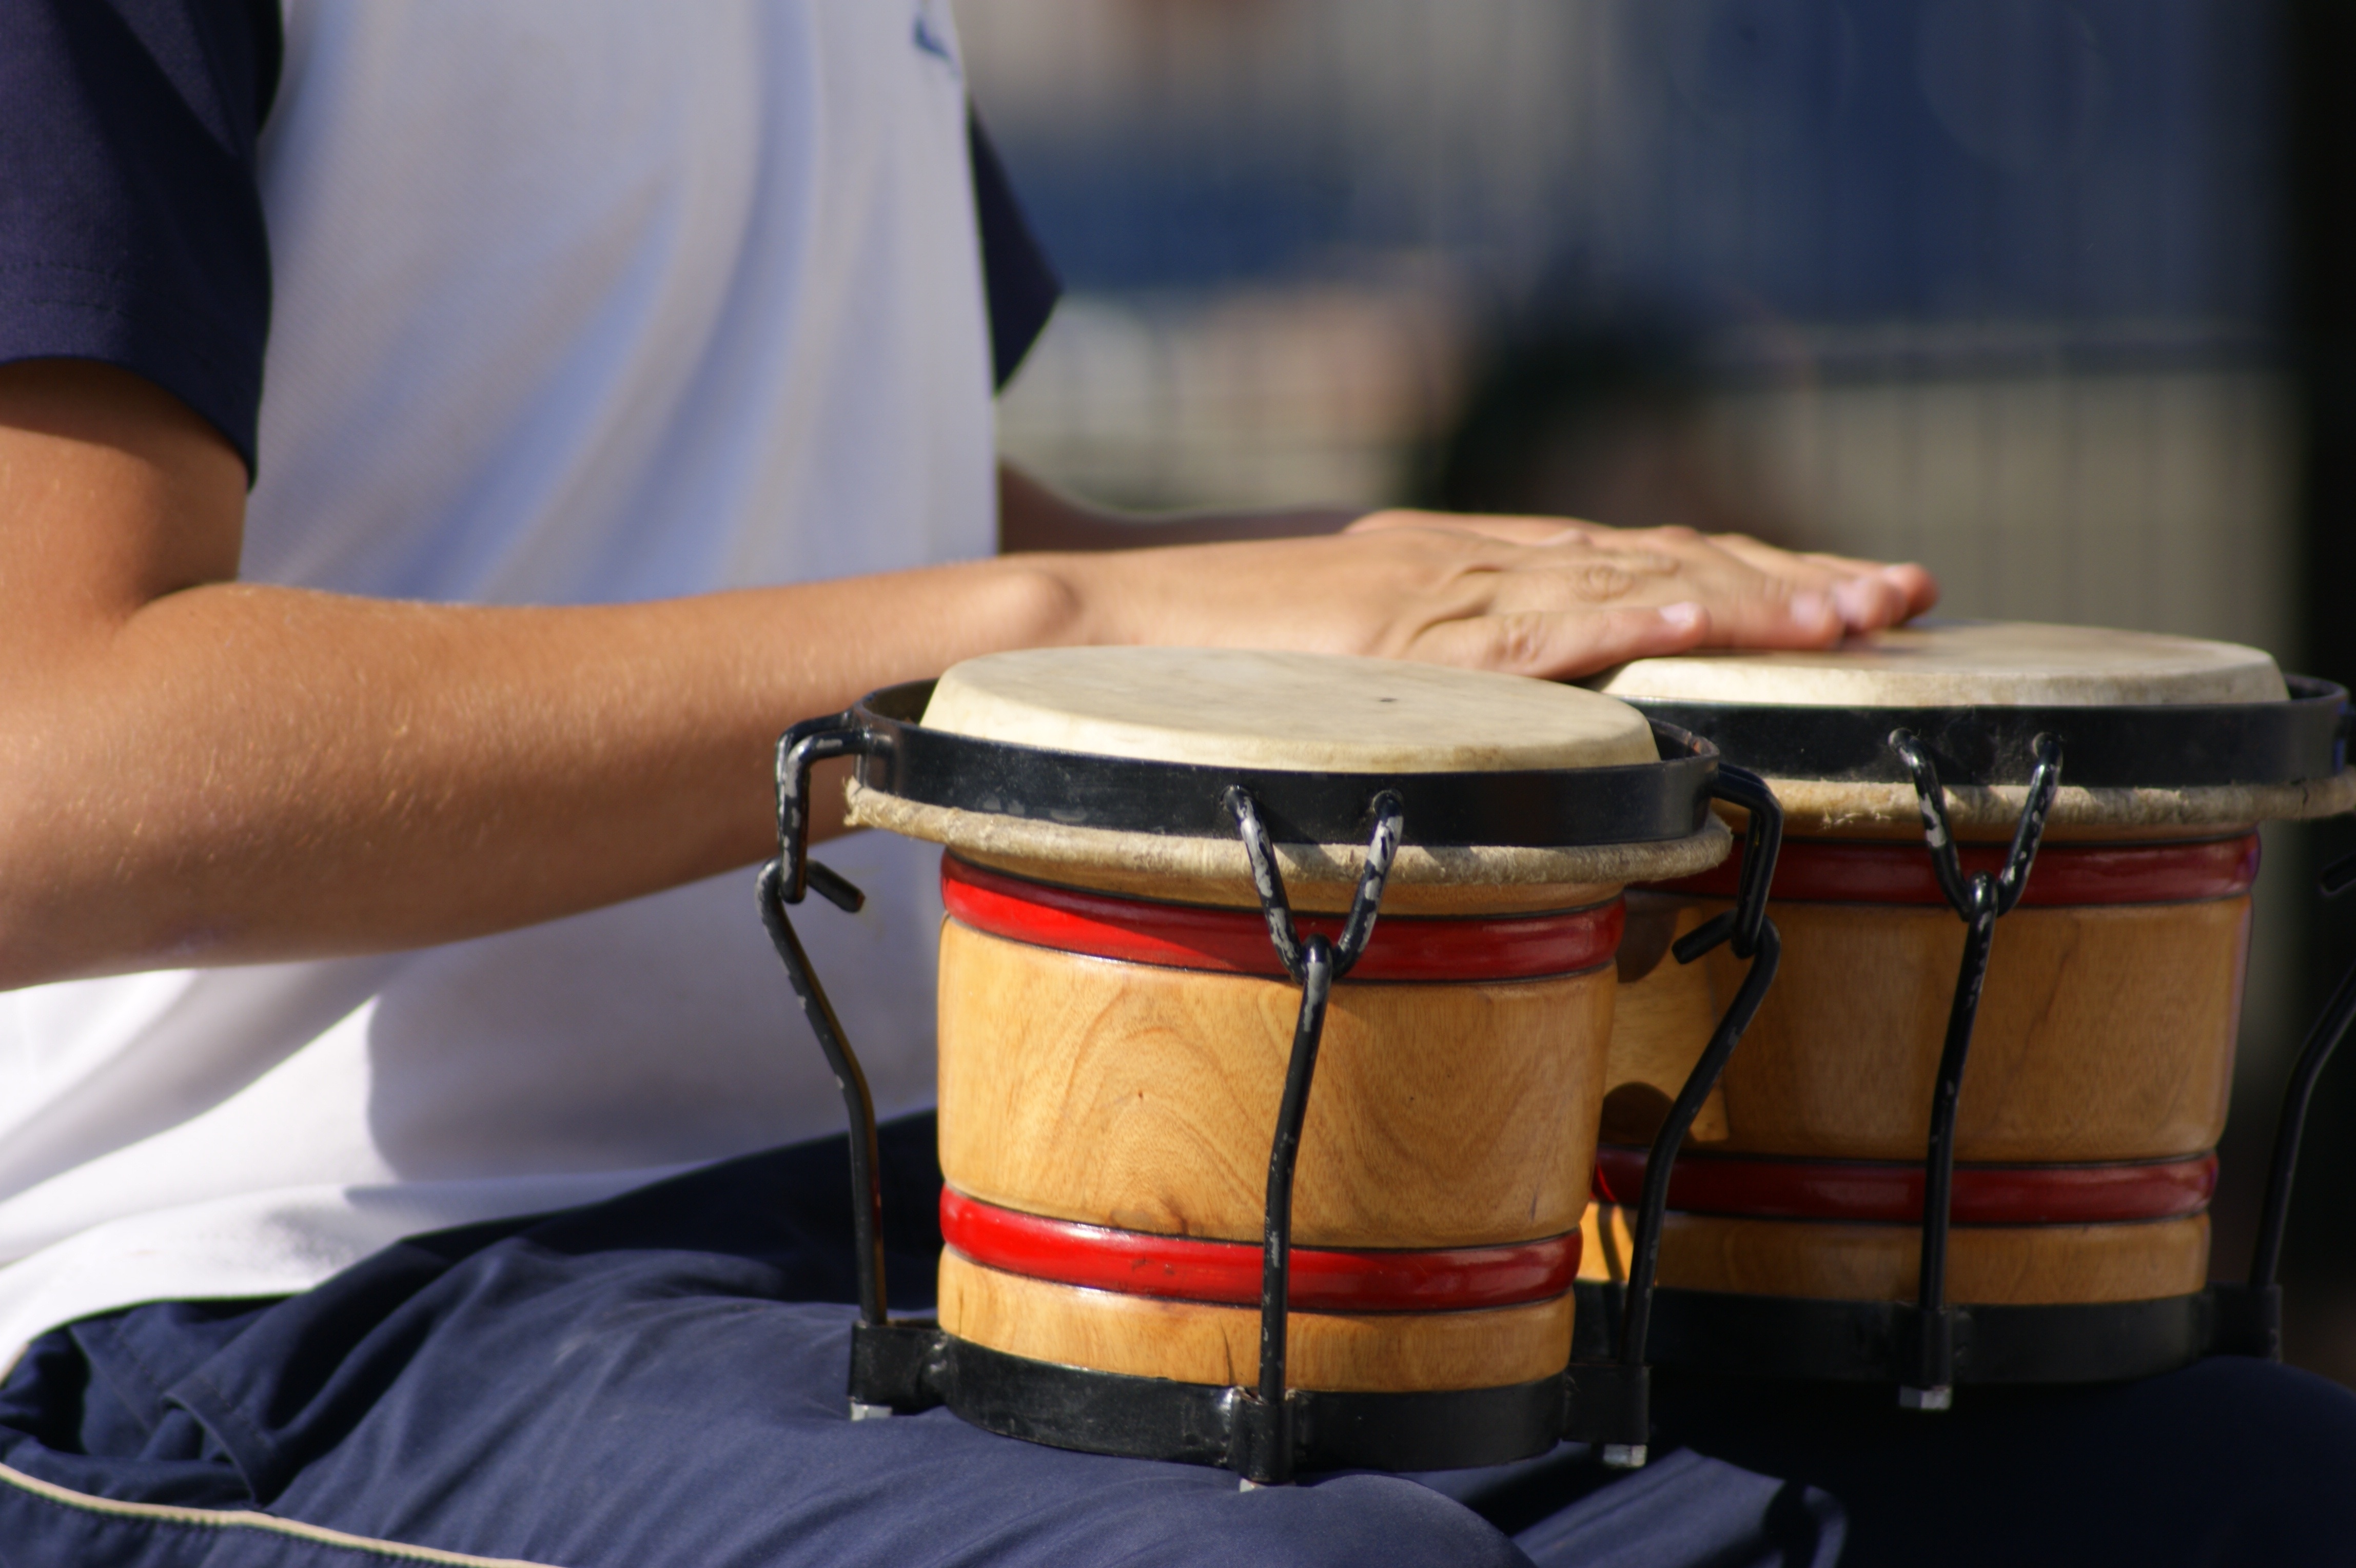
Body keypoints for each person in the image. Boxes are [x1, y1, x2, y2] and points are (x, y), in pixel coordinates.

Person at [4, 6, 2348, 1567]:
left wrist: (1425, 611)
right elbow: (45, 757)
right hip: (275, 1312)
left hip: (963, 1218)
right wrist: (1086, 629)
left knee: (2222, 1490)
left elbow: (831, 505)